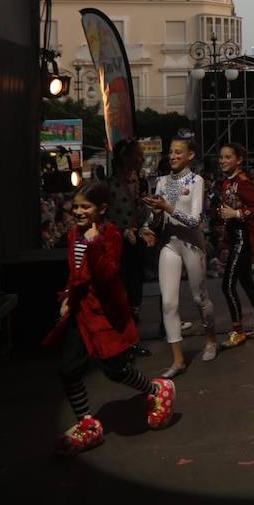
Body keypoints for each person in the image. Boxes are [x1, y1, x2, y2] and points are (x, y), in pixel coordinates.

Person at [45, 182, 175, 455]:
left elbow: (107, 274)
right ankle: (87, 424)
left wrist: (93, 243)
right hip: (82, 313)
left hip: (105, 315)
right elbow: (75, 271)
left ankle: (156, 390)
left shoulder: (110, 235)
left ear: (101, 209)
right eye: (76, 206)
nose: (78, 212)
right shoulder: (73, 235)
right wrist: (69, 295)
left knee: (115, 370)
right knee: (69, 368)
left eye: (85, 207)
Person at [140, 131, 219, 377]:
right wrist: (148, 224)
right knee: (168, 302)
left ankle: (211, 339)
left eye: (178, 152)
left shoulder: (196, 181)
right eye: (171, 152)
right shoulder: (162, 182)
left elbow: (195, 220)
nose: (172, 156)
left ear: (190, 156)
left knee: (199, 298)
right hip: (169, 245)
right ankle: (178, 360)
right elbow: (156, 218)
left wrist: (167, 207)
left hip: (192, 244)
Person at [216, 142, 254, 347]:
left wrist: (237, 214)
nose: (222, 161)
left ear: (239, 160)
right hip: (235, 238)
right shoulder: (227, 183)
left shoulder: (242, 182)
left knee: (227, 284)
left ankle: (238, 331)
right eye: (221, 157)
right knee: (246, 281)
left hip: (242, 238)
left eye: (227, 157)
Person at [108, 138, 152, 358]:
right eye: (138, 154)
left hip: (137, 242)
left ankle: (131, 341)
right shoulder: (109, 185)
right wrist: (124, 232)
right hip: (118, 245)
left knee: (136, 290)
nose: (142, 158)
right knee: (121, 291)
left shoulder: (141, 182)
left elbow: (144, 212)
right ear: (125, 158)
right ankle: (119, 342)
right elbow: (105, 219)